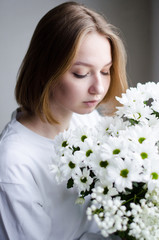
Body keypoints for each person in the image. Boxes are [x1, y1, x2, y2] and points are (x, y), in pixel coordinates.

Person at [0, 1, 128, 240]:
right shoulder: (14, 164)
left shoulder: (87, 120)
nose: (98, 88)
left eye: (106, 70)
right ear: (45, 70)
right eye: (81, 73)